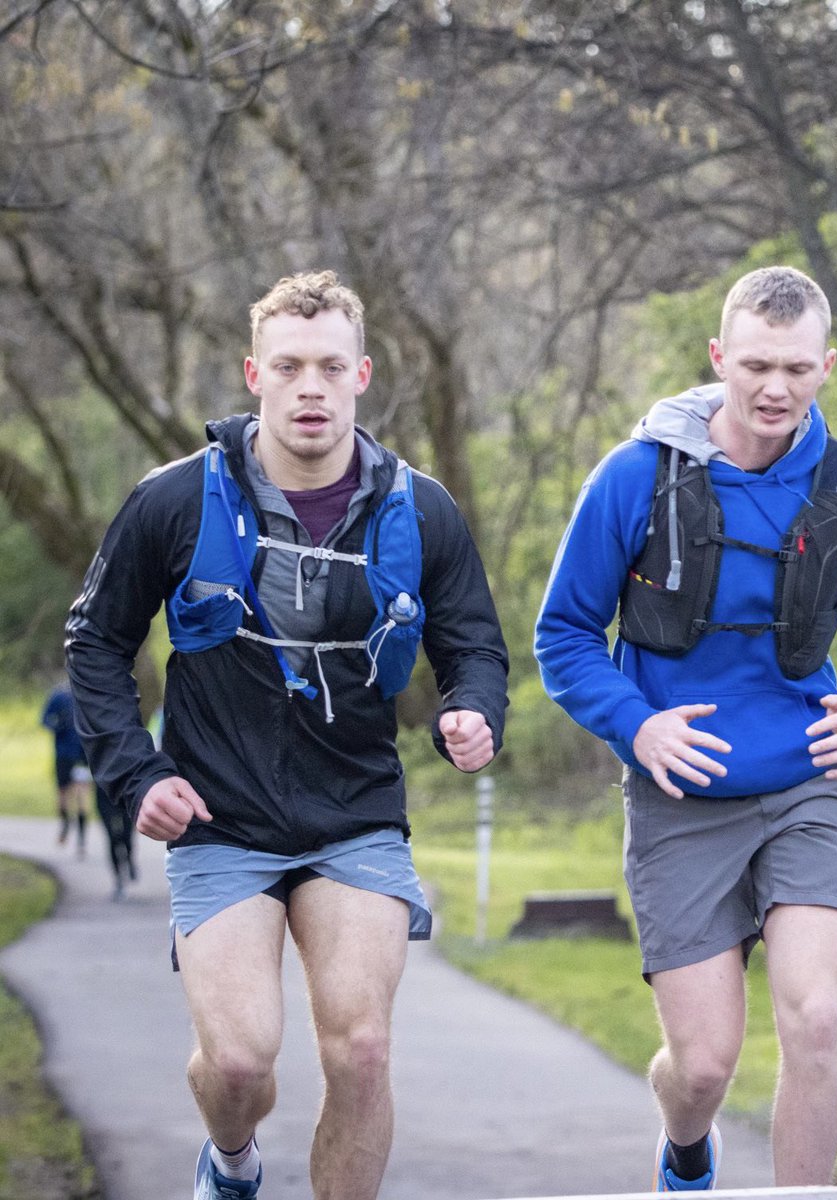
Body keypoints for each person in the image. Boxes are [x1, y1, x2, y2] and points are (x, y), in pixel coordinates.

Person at [66, 269, 509, 1200]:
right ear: (253, 375)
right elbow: (96, 641)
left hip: (355, 813)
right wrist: (135, 772)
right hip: (219, 816)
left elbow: (475, 644)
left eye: (330, 367)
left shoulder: (420, 508)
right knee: (236, 1066)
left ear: (363, 376)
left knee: (362, 1047)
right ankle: (231, 1164)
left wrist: (474, 709)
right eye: (289, 366)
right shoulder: (176, 500)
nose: (311, 387)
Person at [535, 266, 837, 1191]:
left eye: (796, 369)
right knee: (704, 1066)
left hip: (809, 788)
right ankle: (686, 1151)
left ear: (826, 366)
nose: (774, 388)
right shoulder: (635, 479)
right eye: (755, 364)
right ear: (719, 358)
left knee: (816, 1016)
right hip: (682, 797)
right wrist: (638, 728)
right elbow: (564, 638)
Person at [40, 681, 89, 853]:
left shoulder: (87, 694)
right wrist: (57, 725)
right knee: (62, 794)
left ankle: (82, 840)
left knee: (82, 794)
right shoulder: (58, 696)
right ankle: (66, 824)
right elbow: (44, 719)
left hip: (83, 755)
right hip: (63, 754)